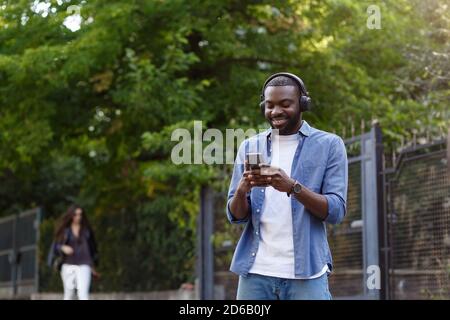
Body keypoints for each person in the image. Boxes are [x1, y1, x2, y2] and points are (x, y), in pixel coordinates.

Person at [226, 72, 348, 300]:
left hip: (307, 275)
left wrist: (293, 187)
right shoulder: (250, 146)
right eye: (269, 105)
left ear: (302, 104)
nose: (275, 112)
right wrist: (242, 191)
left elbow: (336, 211)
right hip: (255, 274)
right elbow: (236, 216)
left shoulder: (330, 145)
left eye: (285, 104)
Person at [48, 204, 99, 300]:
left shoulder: (87, 231)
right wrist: (63, 247)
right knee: (69, 295)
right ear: (71, 215)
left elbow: (92, 250)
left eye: (80, 214)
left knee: (83, 294)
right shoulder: (65, 231)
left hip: (84, 264)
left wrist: (93, 266)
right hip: (68, 265)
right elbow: (55, 246)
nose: (78, 217)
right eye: (75, 214)